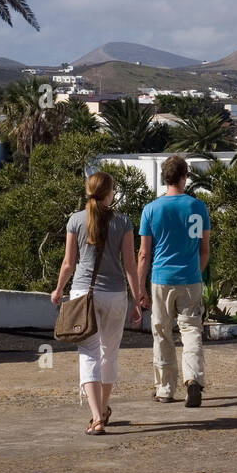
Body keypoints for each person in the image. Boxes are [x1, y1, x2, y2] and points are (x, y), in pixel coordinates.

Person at [51, 170, 143, 435]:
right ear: (109, 193)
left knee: (88, 354)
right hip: (115, 296)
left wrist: (58, 290)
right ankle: (102, 409)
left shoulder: (75, 220)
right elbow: (129, 264)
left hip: (83, 294)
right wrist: (137, 299)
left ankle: (97, 417)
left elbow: (69, 263)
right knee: (109, 354)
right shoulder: (123, 221)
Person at [137, 154, 210, 407]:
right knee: (191, 330)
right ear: (183, 177)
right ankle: (193, 380)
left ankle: (165, 388)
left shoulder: (151, 209)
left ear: (164, 178)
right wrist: (196, 273)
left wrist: (139, 287)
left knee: (161, 333)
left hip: (161, 279)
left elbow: (144, 253)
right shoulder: (198, 207)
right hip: (190, 278)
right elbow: (204, 249)